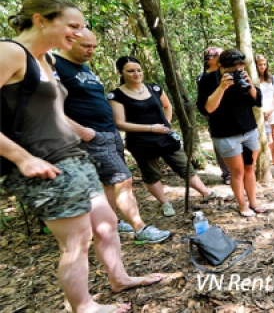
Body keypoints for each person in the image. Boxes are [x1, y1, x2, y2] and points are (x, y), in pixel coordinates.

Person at [0, 0, 160, 313]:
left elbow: (46, 110)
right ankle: (83, 306)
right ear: (41, 20)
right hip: (43, 162)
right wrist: (21, 157)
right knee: (76, 241)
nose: (77, 32)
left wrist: (80, 131)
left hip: (74, 155)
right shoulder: (9, 51)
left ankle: (119, 278)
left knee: (106, 223)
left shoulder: (44, 59)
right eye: (72, 25)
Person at [55, 28, 171, 243]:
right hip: (91, 136)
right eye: (86, 46)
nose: (91, 51)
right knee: (123, 180)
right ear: (69, 41)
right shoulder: (55, 64)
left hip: (108, 133)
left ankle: (113, 222)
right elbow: (49, 106)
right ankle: (140, 229)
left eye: (94, 47)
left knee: (109, 183)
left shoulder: (84, 67)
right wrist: (81, 131)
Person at [108, 56, 221, 217]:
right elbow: (120, 123)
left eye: (138, 70)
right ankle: (165, 203)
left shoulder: (154, 88)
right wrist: (151, 128)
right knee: (151, 173)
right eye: (130, 71)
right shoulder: (116, 95)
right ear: (120, 72)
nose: (136, 74)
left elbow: (167, 106)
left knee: (183, 165)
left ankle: (206, 192)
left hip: (164, 136)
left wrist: (166, 124)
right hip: (141, 141)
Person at [196, 49, 267, 217]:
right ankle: (242, 205)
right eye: (233, 67)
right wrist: (221, 87)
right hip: (226, 135)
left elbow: (257, 101)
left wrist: (249, 85)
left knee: (249, 168)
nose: (237, 70)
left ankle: (253, 202)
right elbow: (207, 109)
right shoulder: (207, 80)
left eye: (240, 66)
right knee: (237, 172)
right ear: (221, 65)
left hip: (249, 130)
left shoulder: (242, 76)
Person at [199, 47, 232, 185]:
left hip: (231, 114)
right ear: (211, 59)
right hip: (215, 116)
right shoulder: (203, 78)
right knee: (219, 144)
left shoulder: (227, 72)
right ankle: (227, 173)